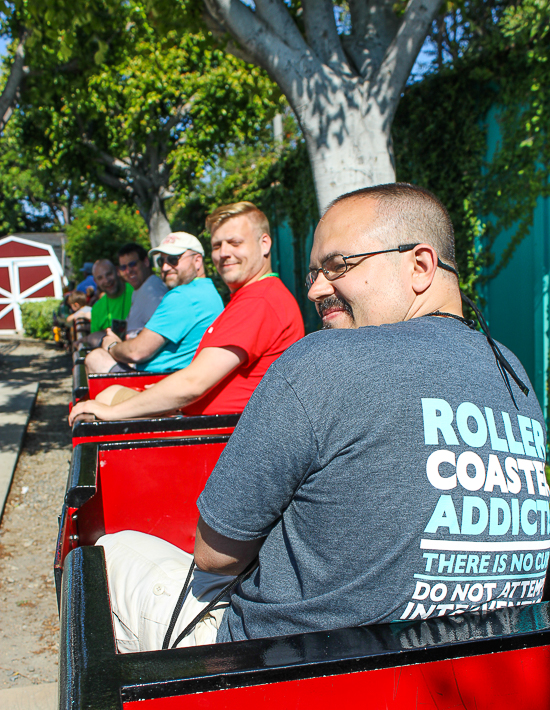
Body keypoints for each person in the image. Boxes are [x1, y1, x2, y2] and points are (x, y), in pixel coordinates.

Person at [98, 183, 548, 654]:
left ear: (419, 265)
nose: (315, 288)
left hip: (282, 678)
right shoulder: (512, 370)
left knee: (107, 553)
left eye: (338, 266)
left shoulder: (325, 360)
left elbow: (214, 556)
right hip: (469, 681)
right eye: (315, 272)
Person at [69, 202, 304, 422]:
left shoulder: (259, 300)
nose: (223, 253)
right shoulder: (249, 296)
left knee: (105, 397)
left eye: (235, 243)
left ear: (264, 244)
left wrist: (112, 413)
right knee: (108, 393)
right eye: (217, 245)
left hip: (215, 436)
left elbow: (193, 383)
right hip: (205, 424)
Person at [82, 232, 223, 376]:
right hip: (171, 376)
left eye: (173, 260)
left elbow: (136, 352)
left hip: (160, 381)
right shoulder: (207, 290)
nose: (166, 267)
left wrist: (111, 345)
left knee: (96, 358)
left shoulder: (183, 296)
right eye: (162, 262)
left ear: (197, 261)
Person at [117, 242, 167, 334]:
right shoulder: (142, 288)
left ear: (146, 262)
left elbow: (163, 330)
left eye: (132, 264)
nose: (128, 271)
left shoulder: (153, 290)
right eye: (123, 267)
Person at [88, 259, 133, 348]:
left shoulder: (136, 292)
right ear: (95, 281)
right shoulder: (96, 309)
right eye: (100, 278)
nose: (106, 280)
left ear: (117, 271)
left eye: (109, 274)